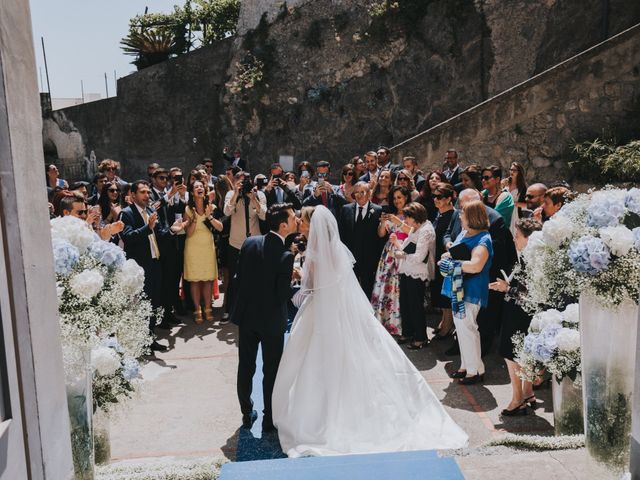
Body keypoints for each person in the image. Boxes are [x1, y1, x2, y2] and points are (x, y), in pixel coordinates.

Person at [272, 206, 467, 457]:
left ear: (312, 225)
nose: (300, 222)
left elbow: (311, 285)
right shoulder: (336, 249)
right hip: (336, 308)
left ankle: (319, 412)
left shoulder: (315, 251)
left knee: (315, 358)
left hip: (319, 309)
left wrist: (299, 274)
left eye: (304, 220)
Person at [232, 203, 298, 432]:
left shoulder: (250, 242)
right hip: (271, 321)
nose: (297, 220)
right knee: (271, 369)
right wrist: (295, 283)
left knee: (246, 365)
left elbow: (238, 278)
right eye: (293, 218)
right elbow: (282, 295)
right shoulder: (286, 255)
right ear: (283, 226)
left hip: (247, 316)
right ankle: (269, 417)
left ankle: (245, 411)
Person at [443, 189, 517, 356]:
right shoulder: (459, 215)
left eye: (465, 207)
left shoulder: (494, 219)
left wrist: (458, 261)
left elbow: (495, 254)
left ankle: (478, 357)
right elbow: (449, 234)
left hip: (480, 277)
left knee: (479, 322)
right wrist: (450, 247)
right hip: (460, 279)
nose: (461, 212)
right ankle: (463, 352)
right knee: (463, 322)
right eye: (461, 206)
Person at [490, 218, 542, 416]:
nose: (514, 239)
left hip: (520, 312)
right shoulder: (535, 256)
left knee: (511, 355)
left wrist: (508, 289)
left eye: (518, 236)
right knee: (525, 353)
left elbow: (534, 295)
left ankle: (517, 399)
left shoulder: (532, 259)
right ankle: (527, 392)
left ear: (529, 239)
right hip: (525, 313)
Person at [440, 200, 493, 385]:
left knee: (468, 329)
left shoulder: (483, 239)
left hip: (471, 289)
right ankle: (467, 366)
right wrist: (447, 256)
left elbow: (476, 266)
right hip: (458, 287)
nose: (460, 216)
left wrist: (452, 264)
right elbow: (456, 250)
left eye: (462, 213)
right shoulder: (464, 233)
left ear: (471, 217)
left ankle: (475, 372)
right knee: (462, 330)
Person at [120, 180, 170, 352]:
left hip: (155, 262)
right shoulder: (126, 213)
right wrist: (147, 227)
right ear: (133, 194)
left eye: (148, 192)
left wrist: (173, 230)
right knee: (142, 303)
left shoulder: (150, 210)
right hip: (140, 266)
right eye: (143, 192)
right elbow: (128, 237)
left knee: (154, 302)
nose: (147, 195)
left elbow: (160, 232)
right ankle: (141, 343)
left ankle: (150, 338)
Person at [390, 203, 436, 350]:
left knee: (415, 305)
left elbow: (419, 256)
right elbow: (407, 247)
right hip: (407, 270)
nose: (405, 220)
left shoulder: (426, 230)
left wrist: (401, 255)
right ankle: (408, 332)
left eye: (407, 217)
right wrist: (397, 244)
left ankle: (421, 337)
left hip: (418, 273)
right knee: (405, 303)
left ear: (415, 217)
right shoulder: (417, 228)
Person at [177, 180, 223, 324]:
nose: (199, 188)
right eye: (196, 187)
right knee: (195, 280)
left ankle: (208, 308)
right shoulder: (187, 210)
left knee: (208, 279)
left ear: (205, 189)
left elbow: (220, 228)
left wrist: (209, 216)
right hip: (193, 248)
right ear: (192, 192)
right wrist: (195, 218)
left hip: (208, 247)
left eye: (201, 186)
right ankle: (197, 310)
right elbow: (189, 233)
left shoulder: (212, 207)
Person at [223, 171, 267, 318]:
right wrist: (236, 193)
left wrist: (253, 199)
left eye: (246, 182)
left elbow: (264, 215)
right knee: (234, 278)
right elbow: (227, 211)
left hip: (255, 242)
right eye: (241, 182)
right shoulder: (231, 194)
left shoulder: (259, 195)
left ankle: (255, 308)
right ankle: (230, 310)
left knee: (256, 276)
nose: (244, 185)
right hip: (236, 243)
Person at [371, 186, 411, 337]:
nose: (397, 201)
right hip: (389, 254)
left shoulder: (411, 214)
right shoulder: (391, 215)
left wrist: (398, 222)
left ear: (406, 198)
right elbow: (381, 234)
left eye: (399, 197)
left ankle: (400, 325)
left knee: (399, 288)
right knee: (387, 286)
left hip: (403, 251)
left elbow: (412, 232)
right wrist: (382, 223)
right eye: (394, 198)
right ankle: (385, 321)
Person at [338, 182, 384, 299]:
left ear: (369, 194)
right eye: (356, 192)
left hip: (369, 259)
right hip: (350, 260)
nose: (358, 195)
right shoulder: (346, 209)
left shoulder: (378, 210)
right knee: (348, 291)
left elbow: (379, 237)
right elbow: (341, 234)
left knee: (367, 290)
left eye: (362, 192)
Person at [430, 183, 456, 339]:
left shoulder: (453, 215)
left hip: (445, 259)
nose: (435, 199)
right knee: (439, 293)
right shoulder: (438, 214)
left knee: (446, 295)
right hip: (436, 258)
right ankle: (444, 322)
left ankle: (447, 325)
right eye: (434, 196)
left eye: (439, 197)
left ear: (448, 199)